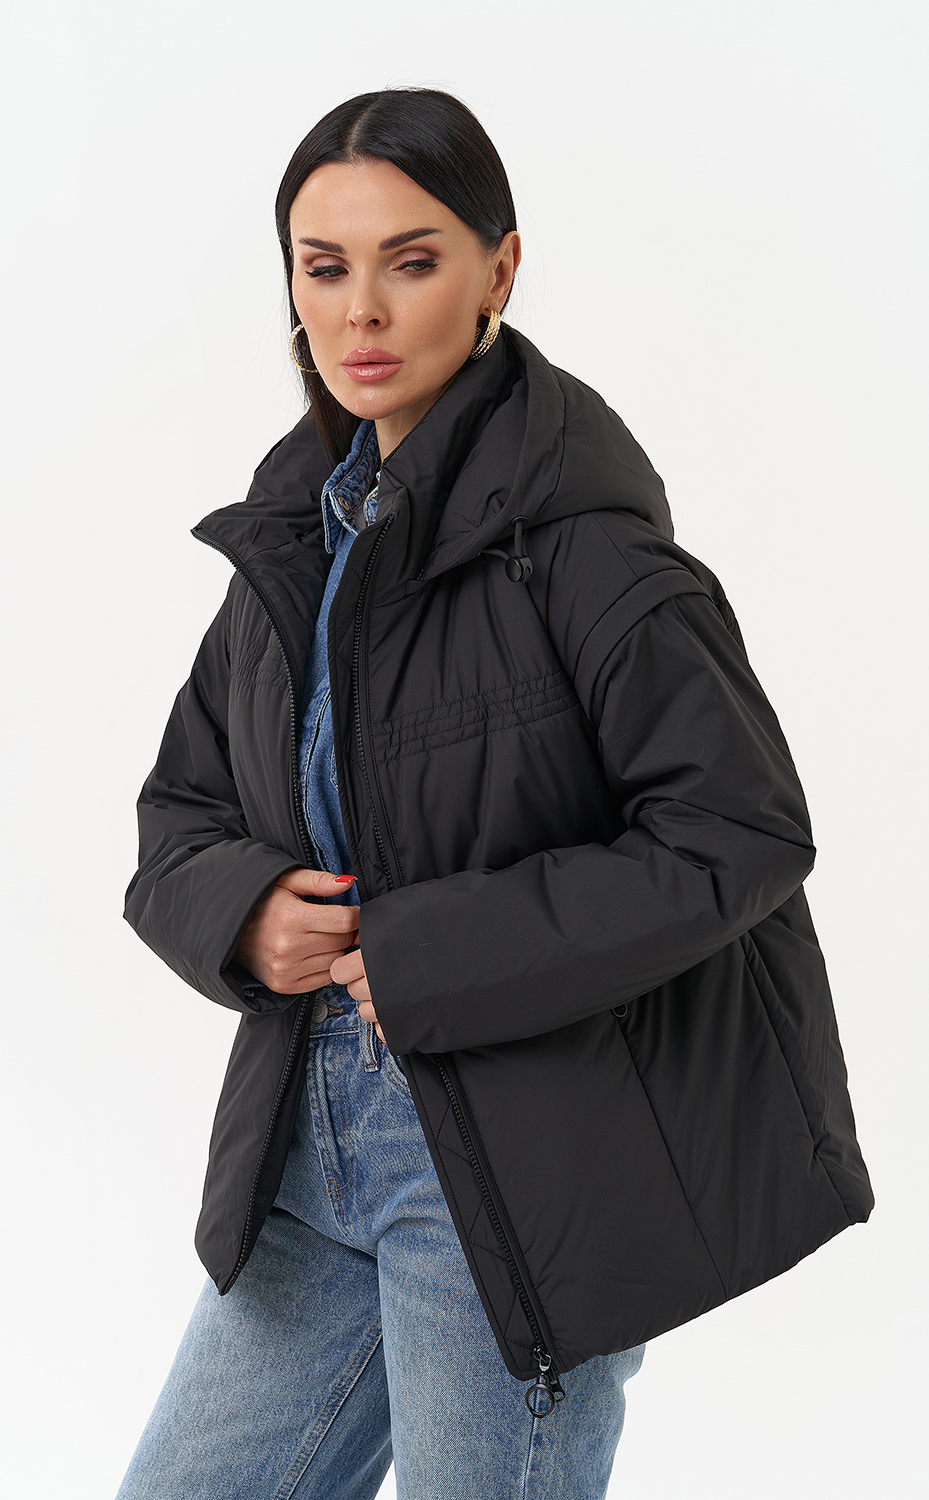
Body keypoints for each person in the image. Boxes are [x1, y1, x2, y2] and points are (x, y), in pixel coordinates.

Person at [115, 87, 874, 1500]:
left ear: (498, 271)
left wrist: (430, 954)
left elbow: (740, 833)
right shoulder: (301, 538)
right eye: (323, 267)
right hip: (306, 1150)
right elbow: (178, 816)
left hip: (520, 1185)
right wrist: (243, 913)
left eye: (410, 262)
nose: (359, 312)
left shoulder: (584, 547)